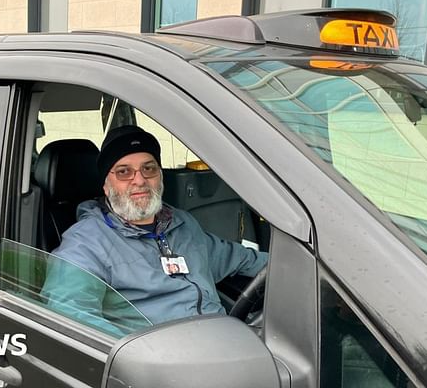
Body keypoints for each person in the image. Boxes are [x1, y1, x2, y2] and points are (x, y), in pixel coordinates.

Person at [41, 125, 267, 336]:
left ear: (160, 176)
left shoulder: (182, 224)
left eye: (148, 168)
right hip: (161, 365)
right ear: (105, 185)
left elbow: (243, 260)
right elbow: (70, 317)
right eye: (123, 172)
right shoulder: (86, 244)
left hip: (226, 342)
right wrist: (137, 357)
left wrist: (295, 265)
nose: (139, 180)